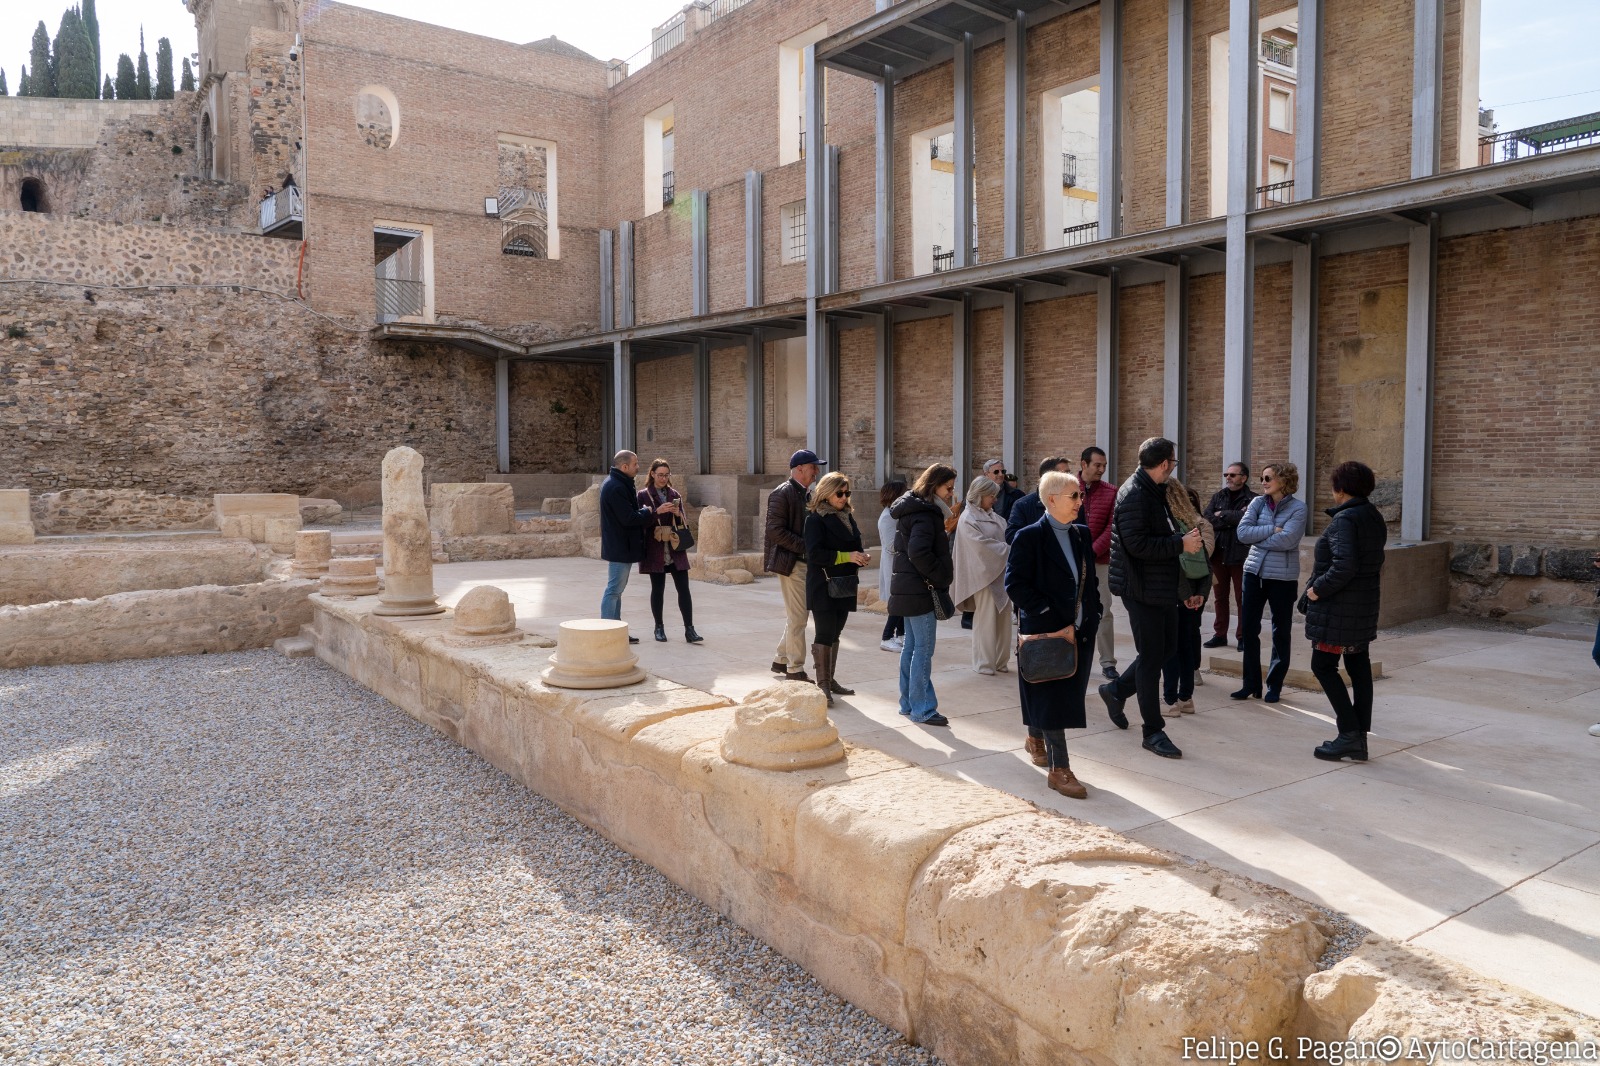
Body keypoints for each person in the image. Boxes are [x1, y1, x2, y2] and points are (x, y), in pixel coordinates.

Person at [1097, 437, 1199, 760]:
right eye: (1174, 462)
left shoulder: (1155, 489)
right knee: (1152, 657)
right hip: (1140, 589)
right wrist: (1180, 545)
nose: (1173, 468)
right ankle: (1152, 731)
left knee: (1165, 650)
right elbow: (1138, 546)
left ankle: (1115, 691)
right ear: (1166, 463)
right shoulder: (1135, 495)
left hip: (1160, 586)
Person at [1005, 470, 1102, 799]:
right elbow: (1015, 585)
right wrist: (1047, 613)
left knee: (1060, 692)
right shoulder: (1029, 536)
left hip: (1079, 631)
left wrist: (1094, 611)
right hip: (1046, 632)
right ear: (1051, 500)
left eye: (1080, 495)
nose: (1080, 501)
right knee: (1053, 698)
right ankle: (1059, 769)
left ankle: (1035, 735)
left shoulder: (1081, 534)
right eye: (1073, 496)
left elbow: (1089, 581)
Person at [1306, 462, 1387, 761]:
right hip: (1362, 605)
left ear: (1340, 489)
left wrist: (1316, 590)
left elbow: (1344, 566)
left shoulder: (1345, 520)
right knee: (1358, 666)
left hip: (1339, 607)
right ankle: (1358, 738)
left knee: (1323, 666)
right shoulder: (1373, 515)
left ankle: (1350, 735)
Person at [1231, 462, 1309, 703]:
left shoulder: (1299, 508)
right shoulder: (1257, 503)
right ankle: (1250, 684)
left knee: (1280, 632)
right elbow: (1242, 534)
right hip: (1253, 572)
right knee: (1249, 630)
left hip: (1282, 578)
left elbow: (1287, 540)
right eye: (1262, 478)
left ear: (1283, 481)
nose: (1263, 482)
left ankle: (1274, 686)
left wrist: (1260, 537)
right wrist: (1271, 529)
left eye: (1268, 478)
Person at [887, 463, 958, 727]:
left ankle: (908, 704)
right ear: (933, 486)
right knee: (922, 651)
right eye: (948, 488)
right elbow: (918, 552)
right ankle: (922, 708)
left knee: (912, 648)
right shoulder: (927, 514)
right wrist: (938, 576)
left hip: (909, 589)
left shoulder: (914, 508)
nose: (951, 493)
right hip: (920, 591)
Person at [803, 471, 870, 706]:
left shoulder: (846, 517)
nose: (843, 497)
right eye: (839, 493)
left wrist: (860, 556)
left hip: (844, 583)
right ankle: (822, 686)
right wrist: (847, 556)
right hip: (823, 584)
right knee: (824, 633)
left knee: (836, 633)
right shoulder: (815, 518)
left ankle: (829, 680)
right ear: (826, 493)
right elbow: (815, 554)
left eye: (846, 493)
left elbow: (854, 545)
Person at [600, 450, 676, 644]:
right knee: (614, 590)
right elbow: (628, 518)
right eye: (635, 464)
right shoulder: (616, 487)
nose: (638, 467)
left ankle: (616, 630)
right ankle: (609, 633)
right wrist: (648, 511)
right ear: (624, 467)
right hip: (620, 546)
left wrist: (643, 512)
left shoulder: (619, 483)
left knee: (617, 590)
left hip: (622, 545)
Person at [763, 449, 825, 681]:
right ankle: (795, 669)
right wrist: (805, 547)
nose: (816, 472)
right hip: (792, 564)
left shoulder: (806, 493)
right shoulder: (783, 493)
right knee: (799, 617)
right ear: (799, 469)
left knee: (796, 616)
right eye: (813, 467)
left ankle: (781, 660)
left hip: (802, 562)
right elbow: (774, 531)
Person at [1160, 478, 1214, 717]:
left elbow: (1174, 568)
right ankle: (1186, 698)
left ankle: (1171, 700)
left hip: (1175, 597)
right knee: (1186, 646)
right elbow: (1205, 563)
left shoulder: (1167, 524)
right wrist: (1199, 594)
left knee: (1170, 648)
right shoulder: (1193, 523)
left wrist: (1186, 596)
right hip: (1193, 597)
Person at [950, 476, 1013, 675]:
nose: (994, 500)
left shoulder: (994, 516)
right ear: (980, 495)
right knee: (985, 621)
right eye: (991, 496)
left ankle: (1001, 661)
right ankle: (984, 663)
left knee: (1003, 621)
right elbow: (980, 546)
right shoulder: (968, 518)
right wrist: (1009, 549)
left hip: (1001, 575)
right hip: (983, 577)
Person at [637, 458, 702, 644]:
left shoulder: (675, 494)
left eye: (666, 475)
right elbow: (639, 522)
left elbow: (683, 524)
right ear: (652, 474)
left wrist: (678, 514)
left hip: (675, 548)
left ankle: (690, 629)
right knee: (658, 590)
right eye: (660, 475)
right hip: (655, 548)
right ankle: (659, 628)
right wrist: (657, 511)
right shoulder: (643, 495)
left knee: (684, 589)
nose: (663, 478)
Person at [1203, 463, 1256, 649]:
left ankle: (1243, 636)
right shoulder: (1219, 496)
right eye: (1226, 474)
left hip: (1240, 555)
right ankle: (1220, 634)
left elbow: (1249, 520)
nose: (1228, 477)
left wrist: (1222, 515)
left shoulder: (1253, 499)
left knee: (1243, 598)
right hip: (1218, 555)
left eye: (1233, 475)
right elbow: (1207, 519)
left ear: (1244, 477)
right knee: (1219, 597)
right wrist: (1232, 517)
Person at [1076, 446, 1118, 681]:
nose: (1102, 469)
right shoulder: (1067, 487)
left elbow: (1112, 527)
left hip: (1099, 562)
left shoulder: (1112, 492)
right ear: (1084, 464)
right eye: (1097, 465)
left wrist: (1091, 552)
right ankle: (1072, 658)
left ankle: (1108, 662)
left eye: (1104, 465)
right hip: (1070, 560)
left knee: (1104, 611)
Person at [1005, 456, 1072, 544]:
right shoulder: (1022, 505)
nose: (1069, 478)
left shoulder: (1074, 503)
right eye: (1064, 474)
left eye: (1069, 473)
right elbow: (1012, 536)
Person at [876, 479, 908, 652]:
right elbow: (891, 545)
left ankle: (901, 635)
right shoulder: (887, 517)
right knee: (896, 603)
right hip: (893, 566)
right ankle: (887, 637)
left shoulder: (895, 515)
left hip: (900, 566)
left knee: (902, 602)